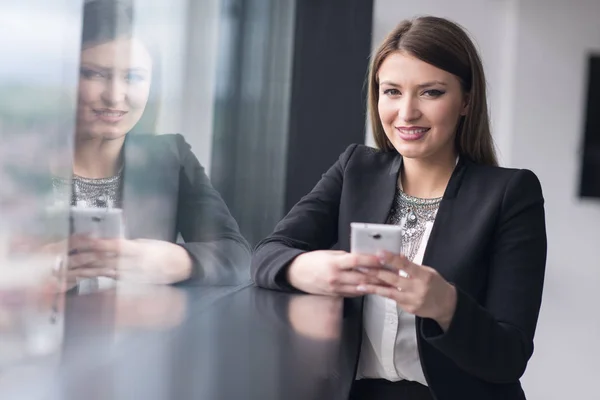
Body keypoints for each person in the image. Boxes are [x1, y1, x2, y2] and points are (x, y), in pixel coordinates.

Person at [252, 16, 547, 400]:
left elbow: (509, 357)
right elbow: (266, 255)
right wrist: (310, 269)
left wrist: (446, 306)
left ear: (466, 101)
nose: (406, 113)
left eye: (431, 93)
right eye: (392, 91)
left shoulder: (511, 193)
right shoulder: (354, 168)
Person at [51, 0, 250, 291]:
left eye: (133, 77)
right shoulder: (20, 159)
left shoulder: (169, 157)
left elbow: (238, 256)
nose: (115, 96)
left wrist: (173, 260)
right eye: (94, 74)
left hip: (142, 330)